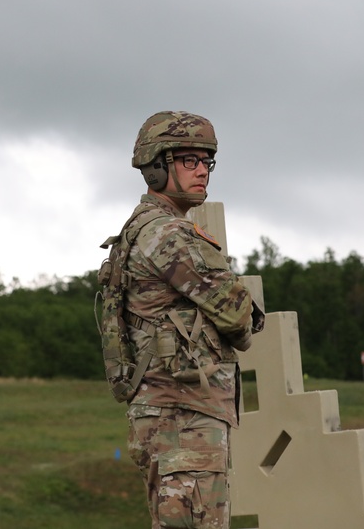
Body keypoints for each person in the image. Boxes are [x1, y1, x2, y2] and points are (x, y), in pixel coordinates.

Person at [116, 110, 262, 529]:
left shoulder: (142, 229)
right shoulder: (170, 235)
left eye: (206, 162)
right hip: (184, 414)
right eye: (189, 161)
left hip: (171, 415)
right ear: (157, 166)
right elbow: (238, 315)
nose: (203, 172)